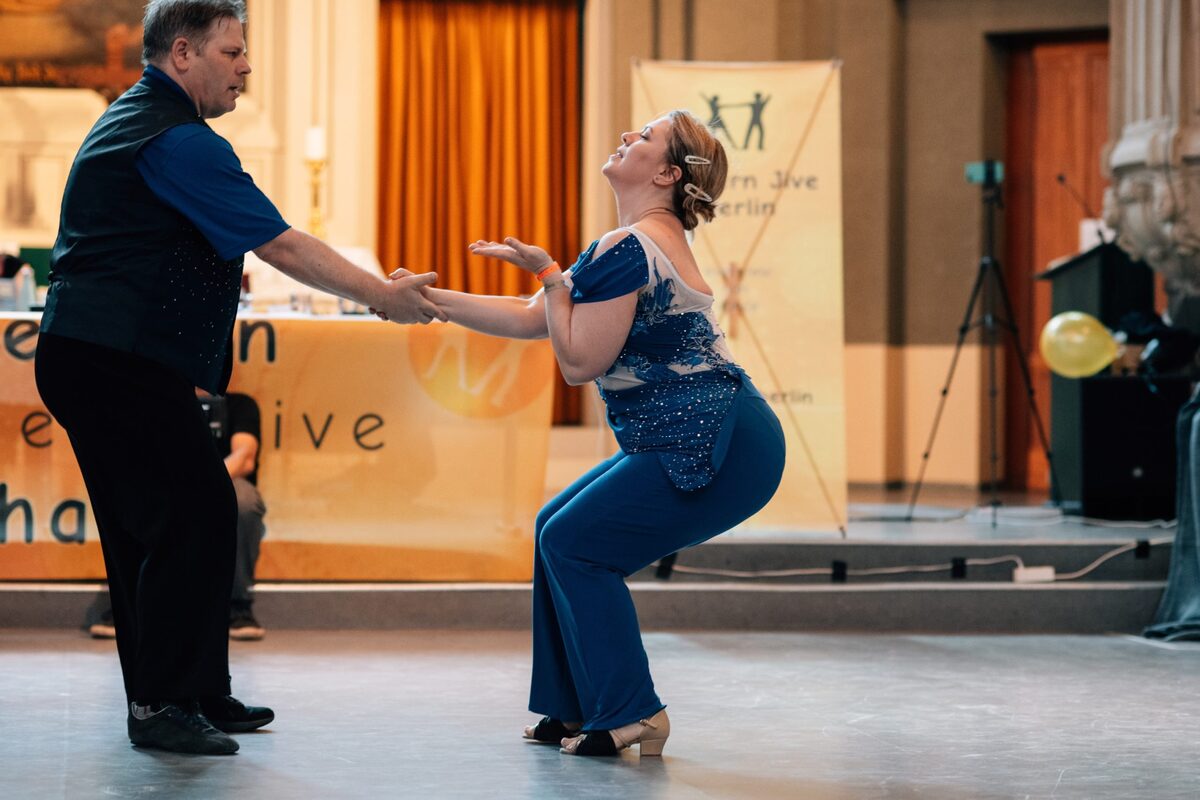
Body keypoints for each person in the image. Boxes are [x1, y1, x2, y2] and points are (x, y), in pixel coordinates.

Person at [35, 0, 444, 756]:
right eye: (232, 52)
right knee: (183, 517)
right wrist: (382, 295)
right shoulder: (176, 140)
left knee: (189, 516)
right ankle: (162, 703)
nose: (246, 66)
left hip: (107, 356)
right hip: (112, 358)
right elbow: (279, 245)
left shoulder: (144, 119)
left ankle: (192, 690)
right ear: (182, 53)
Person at [415, 110, 786, 757]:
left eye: (645, 137)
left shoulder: (631, 245)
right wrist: (425, 302)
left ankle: (632, 712)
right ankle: (574, 709)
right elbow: (533, 318)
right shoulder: (633, 242)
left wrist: (552, 278)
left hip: (717, 443)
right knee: (554, 527)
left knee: (575, 543)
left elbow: (579, 361)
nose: (627, 137)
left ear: (667, 174)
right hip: (704, 434)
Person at [88, 390, 269, 641]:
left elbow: (245, 458)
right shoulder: (159, 399)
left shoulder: (240, 404)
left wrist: (200, 482)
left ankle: (237, 608)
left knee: (245, 503)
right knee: (137, 495)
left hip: (224, 480)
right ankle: (130, 607)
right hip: (168, 481)